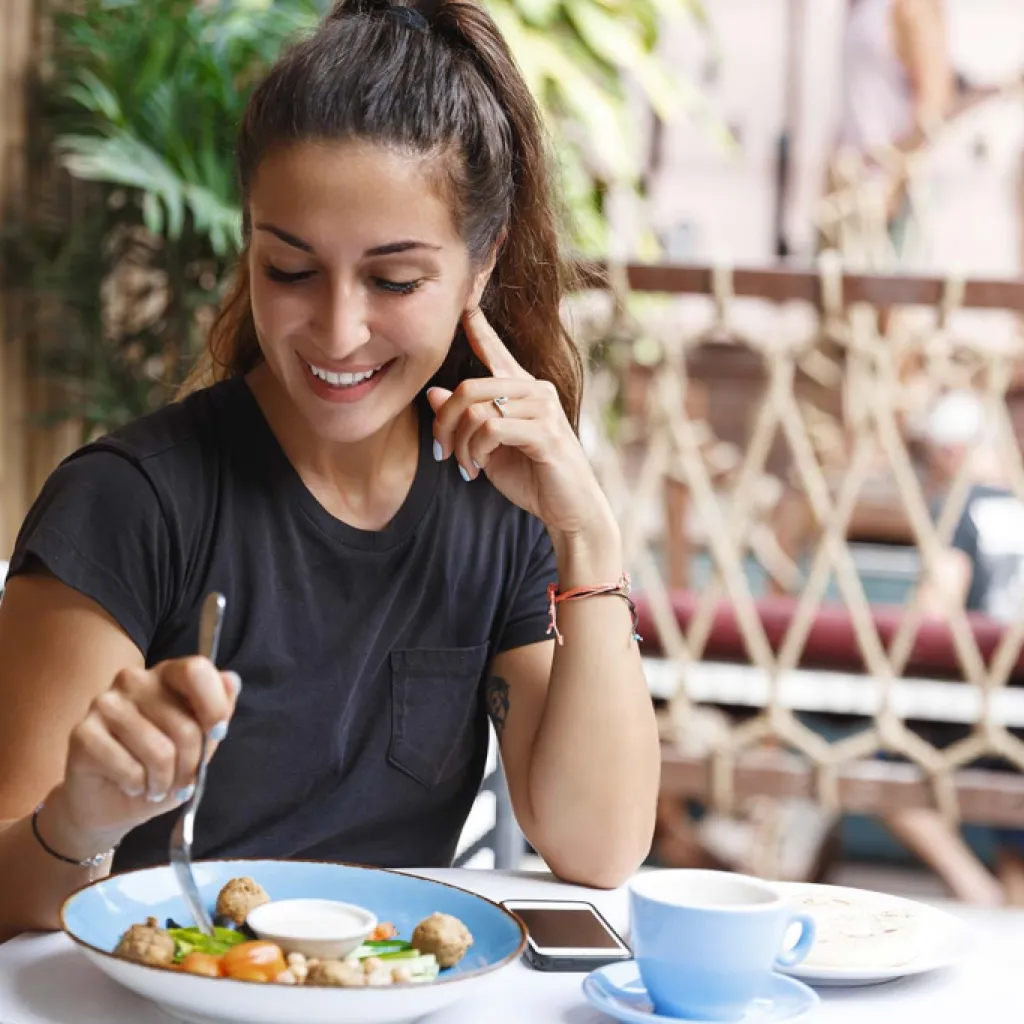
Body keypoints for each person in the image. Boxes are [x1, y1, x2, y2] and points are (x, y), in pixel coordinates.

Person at [0, 0, 661, 942]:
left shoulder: (495, 500)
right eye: (290, 269)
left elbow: (598, 849)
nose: (339, 331)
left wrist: (586, 535)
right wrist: (82, 817)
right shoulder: (128, 503)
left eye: (393, 280)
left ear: (481, 269)